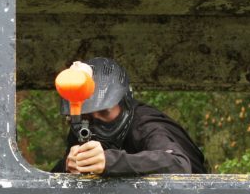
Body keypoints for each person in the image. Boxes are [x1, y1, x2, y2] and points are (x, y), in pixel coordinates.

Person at [53, 57, 206, 176]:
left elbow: (178, 164)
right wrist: (68, 165)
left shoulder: (145, 124)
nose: (96, 122)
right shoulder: (83, 127)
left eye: (105, 112)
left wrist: (110, 162)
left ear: (124, 103)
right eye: (87, 116)